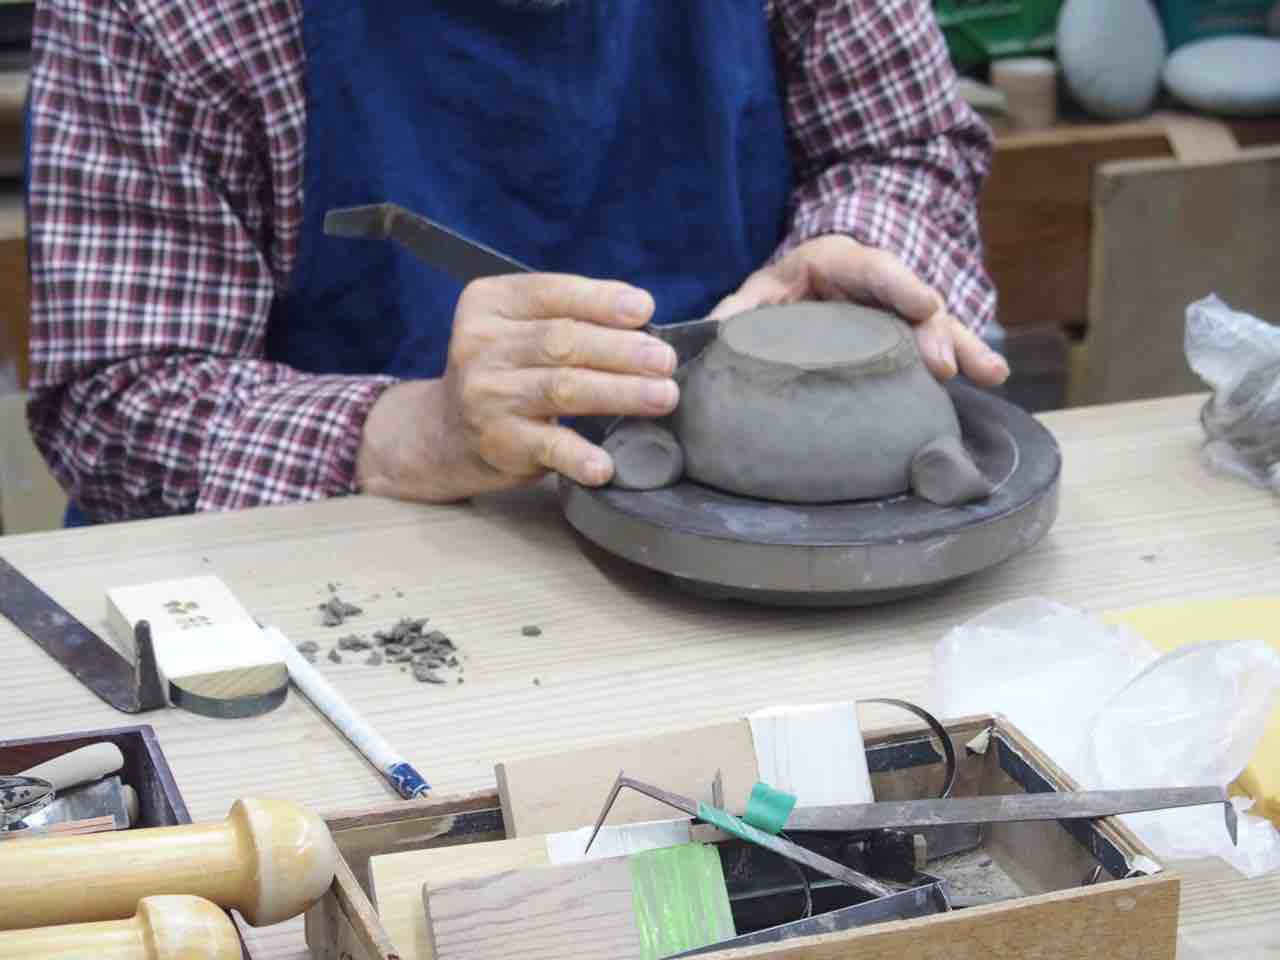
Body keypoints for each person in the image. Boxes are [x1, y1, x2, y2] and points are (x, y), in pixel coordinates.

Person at [24, 0, 1008, 525]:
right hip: (349, 572)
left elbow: (902, 145)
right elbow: (115, 394)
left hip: (739, 531)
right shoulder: (177, 15)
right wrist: (404, 432)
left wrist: (851, 262)